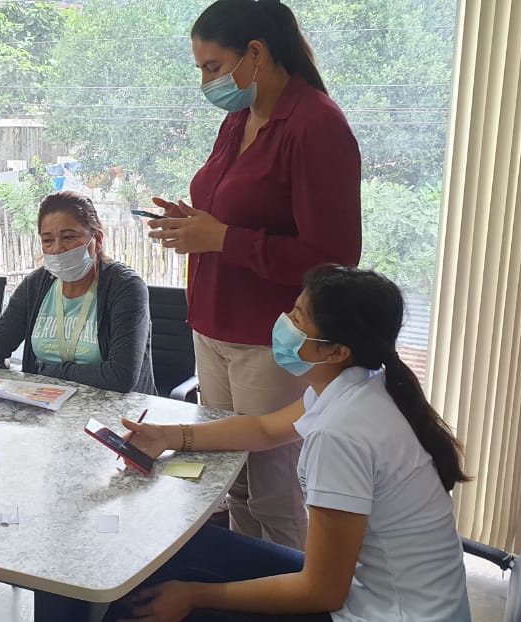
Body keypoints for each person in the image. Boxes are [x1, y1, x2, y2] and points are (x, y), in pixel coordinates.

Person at [107, 267, 470, 622]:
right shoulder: (362, 384)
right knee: (189, 551)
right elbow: (264, 429)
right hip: (374, 592)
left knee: (166, 591)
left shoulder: (340, 433)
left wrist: (193, 595)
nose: (283, 324)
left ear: (336, 351)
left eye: (297, 319)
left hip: (378, 611)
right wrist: (169, 436)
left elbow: (321, 592)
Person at [144, 0, 362, 548]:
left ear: (256, 54)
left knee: (274, 493)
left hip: (268, 339)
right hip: (212, 327)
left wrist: (222, 239)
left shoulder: (316, 124)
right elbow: (235, 213)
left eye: (213, 67)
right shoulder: (240, 118)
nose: (205, 83)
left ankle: (293, 588)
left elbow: (334, 258)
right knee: (232, 484)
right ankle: (249, 587)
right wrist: (195, 225)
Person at [0, 191, 155, 395]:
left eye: (68, 237)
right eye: (48, 241)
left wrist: (48, 371)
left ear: (97, 240)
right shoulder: (36, 284)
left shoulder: (124, 287)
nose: (57, 249)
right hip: (46, 402)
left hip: (118, 412)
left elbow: (121, 376)